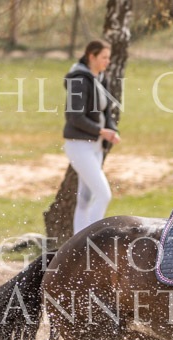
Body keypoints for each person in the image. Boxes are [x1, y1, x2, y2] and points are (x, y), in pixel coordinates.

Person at [63, 40, 120, 233]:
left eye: (108, 57)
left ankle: (79, 241)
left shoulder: (101, 78)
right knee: (104, 194)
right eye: (104, 57)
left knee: (85, 198)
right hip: (79, 145)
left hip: (96, 146)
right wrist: (101, 131)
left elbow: (107, 113)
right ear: (91, 57)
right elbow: (75, 117)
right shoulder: (79, 80)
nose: (107, 61)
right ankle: (93, 238)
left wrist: (112, 130)